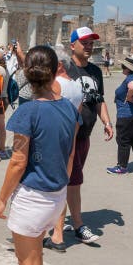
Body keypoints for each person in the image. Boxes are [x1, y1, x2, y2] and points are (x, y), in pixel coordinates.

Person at [0, 46, 81, 265]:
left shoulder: (29, 110)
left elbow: (18, 160)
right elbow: (69, 152)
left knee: (31, 264)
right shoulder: (68, 107)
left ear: (27, 73)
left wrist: (2, 197)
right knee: (27, 258)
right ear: (56, 69)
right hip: (55, 192)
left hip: (33, 195)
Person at [62, 27, 112, 244]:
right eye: (85, 42)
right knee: (69, 180)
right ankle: (77, 224)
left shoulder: (95, 71)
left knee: (73, 179)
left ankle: (64, 219)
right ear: (72, 45)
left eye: (92, 42)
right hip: (65, 135)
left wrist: (107, 121)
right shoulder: (64, 69)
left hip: (84, 135)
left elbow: (99, 99)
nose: (89, 46)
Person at [42, 49, 85, 252]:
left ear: (59, 64)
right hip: (72, 142)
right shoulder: (77, 86)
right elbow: (78, 117)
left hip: (55, 142)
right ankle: (55, 231)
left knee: (52, 190)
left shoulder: (55, 85)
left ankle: (56, 235)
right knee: (65, 187)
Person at [0, 49, 10, 159]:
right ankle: (1, 147)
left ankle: (2, 148)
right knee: (0, 124)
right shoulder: (5, 69)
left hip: (0, 98)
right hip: (4, 98)